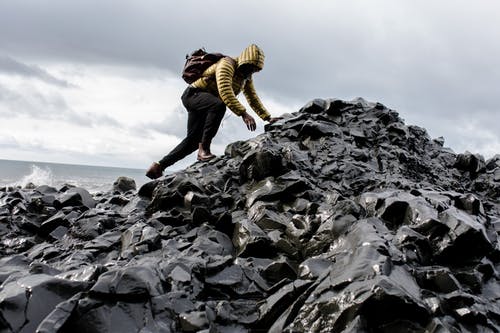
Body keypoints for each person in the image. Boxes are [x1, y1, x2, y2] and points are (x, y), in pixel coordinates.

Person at [146, 44, 280, 179]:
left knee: (192, 141)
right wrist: (243, 113)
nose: (251, 71)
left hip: (205, 102)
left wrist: (267, 118)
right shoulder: (227, 64)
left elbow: (252, 98)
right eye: (250, 66)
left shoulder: (245, 77)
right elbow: (225, 90)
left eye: (255, 69)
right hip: (193, 95)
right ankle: (204, 150)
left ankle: (158, 166)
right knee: (219, 105)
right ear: (245, 61)